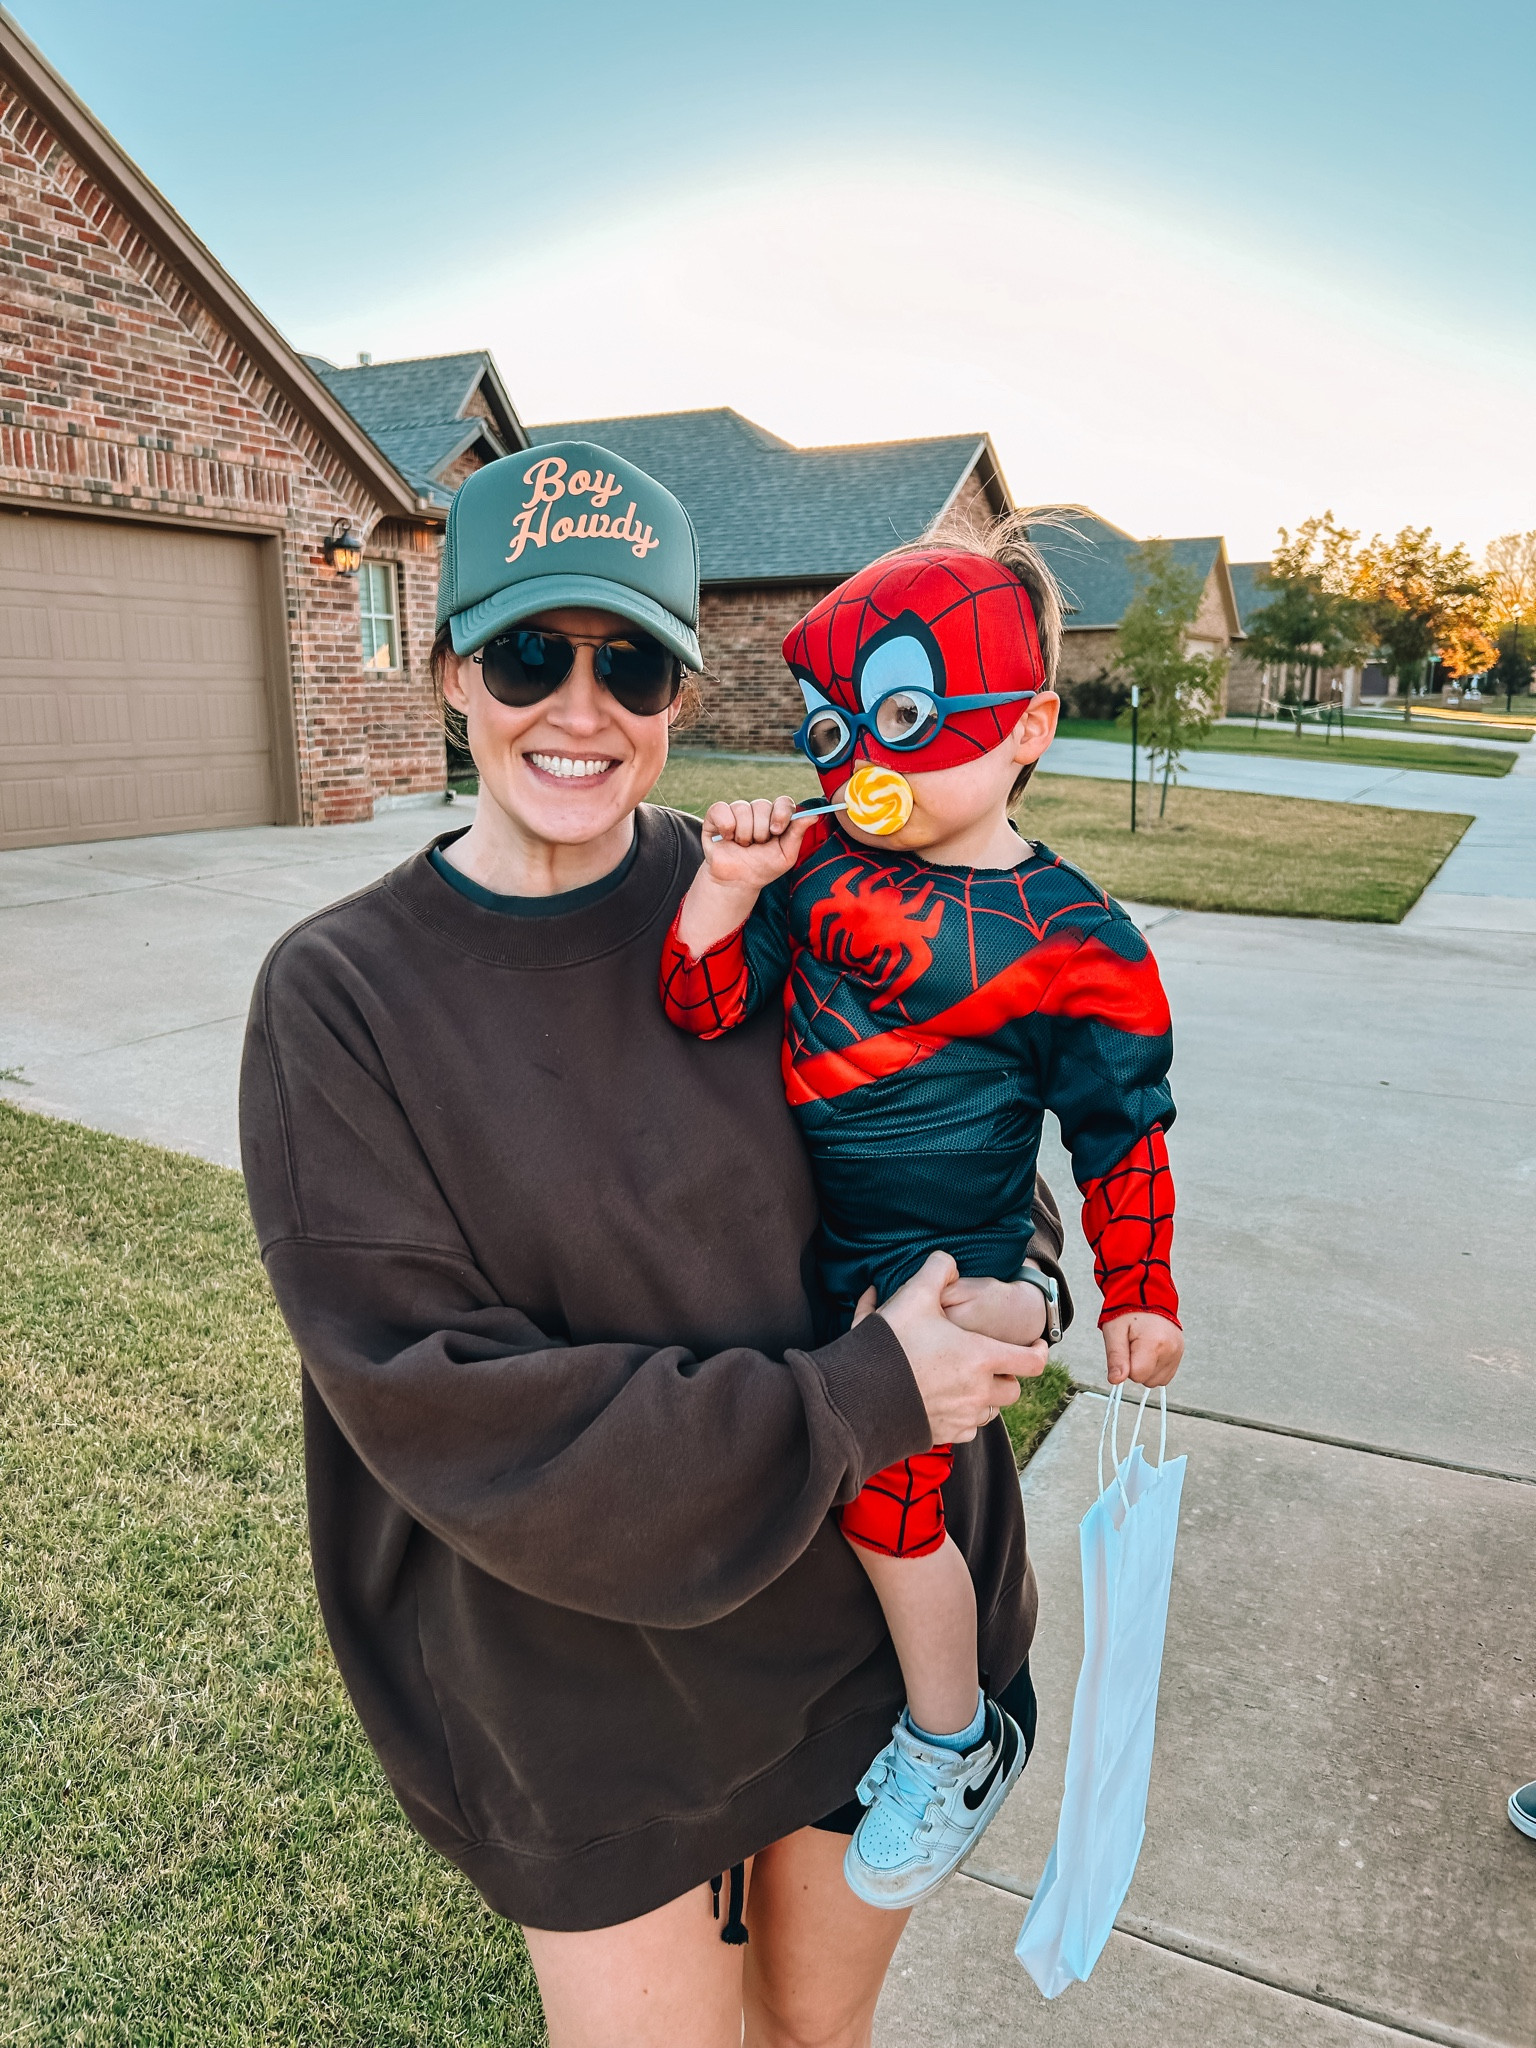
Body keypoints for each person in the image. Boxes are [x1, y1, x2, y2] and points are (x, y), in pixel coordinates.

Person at [240, 444, 1072, 2048]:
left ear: (682, 693)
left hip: (863, 1641)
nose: (580, 706)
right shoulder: (340, 994)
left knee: (816, 2040)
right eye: (527, 654)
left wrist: (1004, 1285)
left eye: (631, 662)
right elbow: (440, 1399)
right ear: (447, 678)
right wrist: (856, 1396)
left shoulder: (781, 893)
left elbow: (965, 1142)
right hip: (589, 1694)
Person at [659, 524, 1186, 1908]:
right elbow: (702, 1002)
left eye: (904, 722)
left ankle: (954, 1736)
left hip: (943, 1275)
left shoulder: (1080, 936)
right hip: (817, 1267)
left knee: (890, 1518)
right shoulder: (821, 878)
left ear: (1026, 728)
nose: (861, 768)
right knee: (827, 1496)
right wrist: (728, 885)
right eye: (836, 733)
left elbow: (1122, 1132)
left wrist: (1138, 1292)